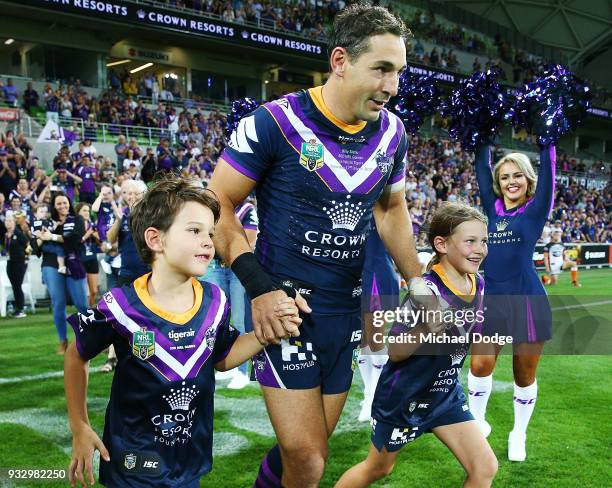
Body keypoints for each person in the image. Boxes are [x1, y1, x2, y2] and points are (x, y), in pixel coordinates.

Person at [208, 5, 424, 486]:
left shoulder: (393, 133)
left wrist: (418, 282)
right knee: (308, 459)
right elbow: (218, 202)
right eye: (382, 69)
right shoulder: (275, 122)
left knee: (305, 455)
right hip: (283, 309)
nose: (392, 86)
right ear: (341, 60)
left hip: (343, 314)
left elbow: (390, 211)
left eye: (399, 73)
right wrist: (260, 290)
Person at [64, 175, 300, 488]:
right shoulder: (119, 305)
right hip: (133, 465)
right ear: (155, 240)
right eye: (194, 230)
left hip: (190, 461)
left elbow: (222, 357)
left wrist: (266, 332)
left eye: (211, 233)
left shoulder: (216, 300)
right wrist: (79, 426)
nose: (208, 240)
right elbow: (75, 355)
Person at [336, 202, 497, 488]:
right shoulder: (427, 291)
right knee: (377, 469)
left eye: (483, 241)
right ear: (441, 244)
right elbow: (395, 350)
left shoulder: (478, 283)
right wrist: (425, 328)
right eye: (470, 241)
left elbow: (473, 331)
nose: (480, 249)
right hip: (403, 398)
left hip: (444, 395)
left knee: (484, 467)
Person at [468, 145, 555, 462]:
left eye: (517, 175)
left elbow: (549, 175)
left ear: (528, 179)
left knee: (524, 375)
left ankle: (518, 433)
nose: (511, 181)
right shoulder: (492, 209)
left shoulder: (535, 210)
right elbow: (481, 165)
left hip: (527, 301)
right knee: (479, 365)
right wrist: (481, 132)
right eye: (504, 177)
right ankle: (477, 425)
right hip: (492, 300)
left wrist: (548, 143)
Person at [201, 199, 258, 389]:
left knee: (239, 319)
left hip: (237, 268)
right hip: (215, 266)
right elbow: (207, 238)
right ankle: (224, 364)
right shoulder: (213, 208)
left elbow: (248, 241)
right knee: (214, 317)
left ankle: (241, 370)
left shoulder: (247, 209)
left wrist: (221, 242)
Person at [36, 192, 89, 354]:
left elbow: (75, 238)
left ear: (69, 203)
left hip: (73, 262)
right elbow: (36, 242)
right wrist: (40, 238)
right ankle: (63, 341)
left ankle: (91, 339)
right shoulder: (47, 221)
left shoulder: (78, 220)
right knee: (58, 303)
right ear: (54, 206)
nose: (62, 206)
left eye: (65, 203)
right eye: (58, 204)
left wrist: (51, 236)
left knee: (82, 304)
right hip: (51, 263)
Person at [357, 226, 399, 422]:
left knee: (375, 339)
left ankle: (375, 398)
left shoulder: (382, 206)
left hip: (376, 272)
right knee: (360, 341)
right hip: (351, 275)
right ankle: (369, 393)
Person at [3, 213, 31, 318]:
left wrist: (27, 258)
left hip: (20, 262)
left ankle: (21, 309)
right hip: (10, 262)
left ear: (14, 222)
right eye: (7, 221)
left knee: (18, 285)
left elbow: (28, 245)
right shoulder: (6, 235)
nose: (8, 223)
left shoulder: (18, 233)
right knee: (14, 286)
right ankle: (17, 307)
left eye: (10, 221)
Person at [75, 203, 101, 307]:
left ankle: (88, 309)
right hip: (79, 259)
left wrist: (96, 235)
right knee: (82, 291)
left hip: (92, 258)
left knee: (94, 290)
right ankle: (84, 312)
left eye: (87, 210)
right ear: (78, 213)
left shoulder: (93, 226)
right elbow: (74, 242)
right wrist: (86, 235)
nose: (87, 213)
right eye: (84, 210)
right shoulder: (75, 226)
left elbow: (101, 242)